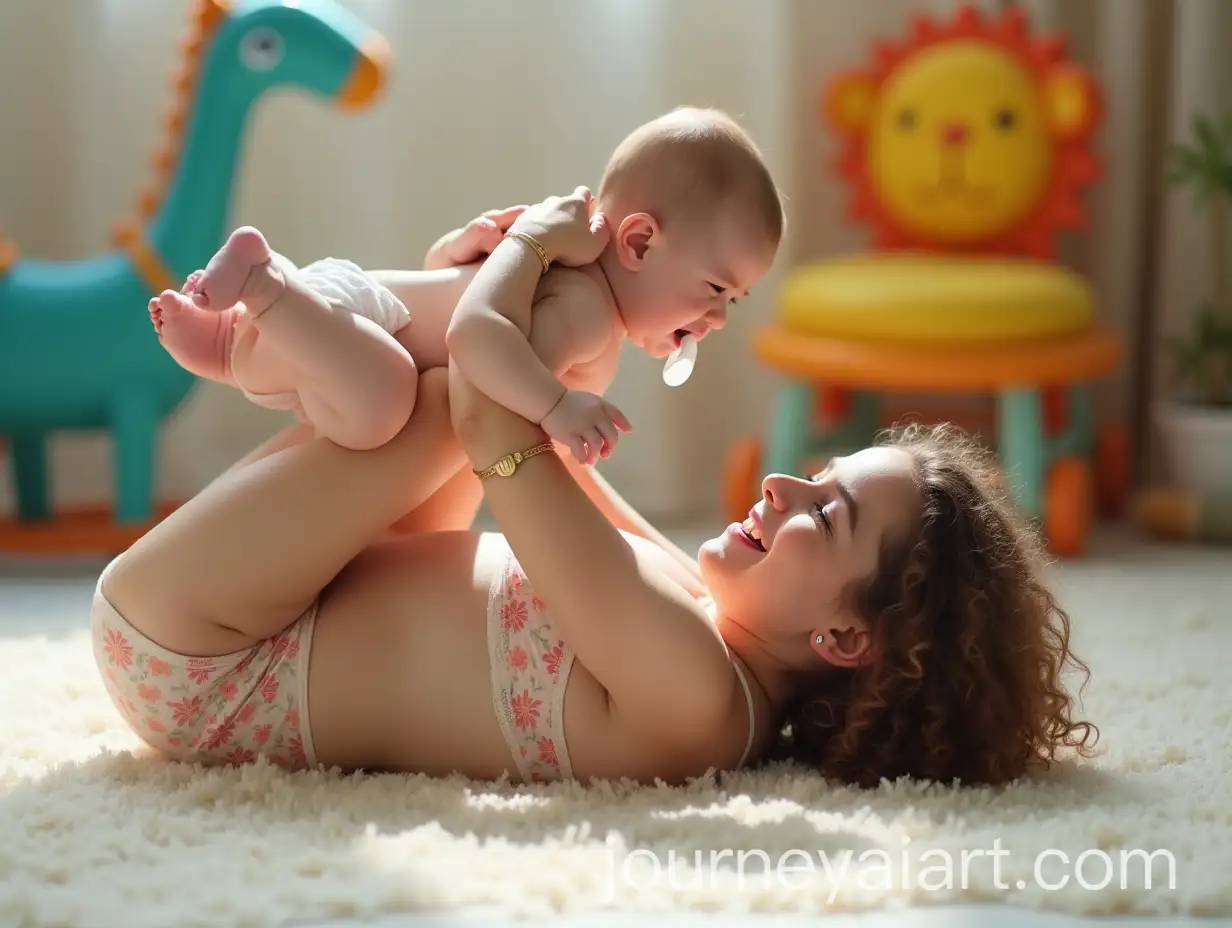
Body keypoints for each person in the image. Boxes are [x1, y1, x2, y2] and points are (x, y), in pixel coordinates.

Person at [91, 189, 1098, 789]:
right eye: (817, 476)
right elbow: (553, 447)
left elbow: (491, 430)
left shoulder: (698, 699)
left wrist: (536, 250)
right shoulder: (707, 627)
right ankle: (334, 310)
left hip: (204, 657)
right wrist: (531, 304)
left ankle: (286, 305)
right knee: (519, 370)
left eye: (823, 513)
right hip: (296, 603)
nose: (784, 483)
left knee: (447, 400)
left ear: (842, 638)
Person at [147, 106, 782, 466]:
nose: (719, 317)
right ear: (639, 242)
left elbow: (441, 288)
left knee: (277, 371)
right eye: (715, 288)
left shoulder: (564, 272)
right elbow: (473, 337)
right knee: (379, 406)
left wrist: (455, 250)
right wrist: (557, 408)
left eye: (732, 301)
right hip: (346, 325)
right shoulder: (586, 312)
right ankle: (257, 288)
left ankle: (229, 330)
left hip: (348, 310)